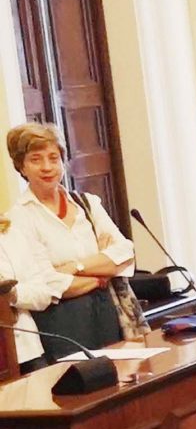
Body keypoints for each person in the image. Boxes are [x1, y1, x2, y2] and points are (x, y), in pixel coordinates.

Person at [4, 121, 136, 353]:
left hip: (107, 311)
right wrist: (101, 274)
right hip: (63, 321)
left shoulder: (87, 203)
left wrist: (74, 267)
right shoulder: (19, 218)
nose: (47, 167)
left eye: (54, 158)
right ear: (21, 167)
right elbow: (49, 283)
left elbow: (125, 254)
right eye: (36, 159)